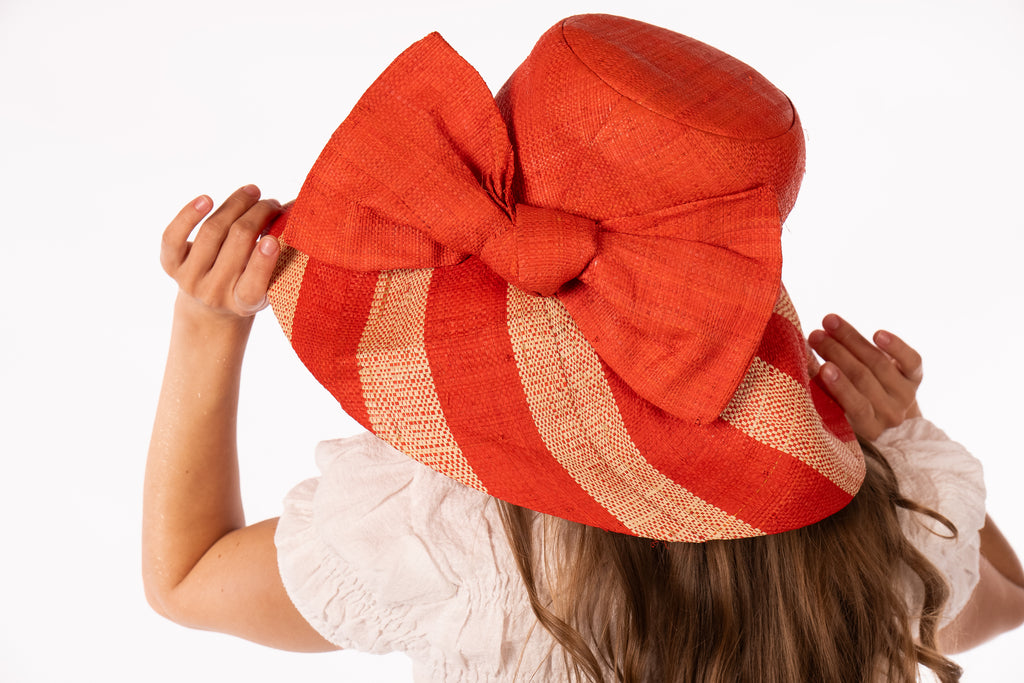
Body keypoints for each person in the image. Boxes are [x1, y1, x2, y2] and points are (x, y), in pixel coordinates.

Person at [142, 14, 1024, 682]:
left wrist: (207, 327)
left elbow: (186, 579)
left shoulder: (445, 529)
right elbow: (1006, 603)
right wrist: (900, 437)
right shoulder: (887, 523)